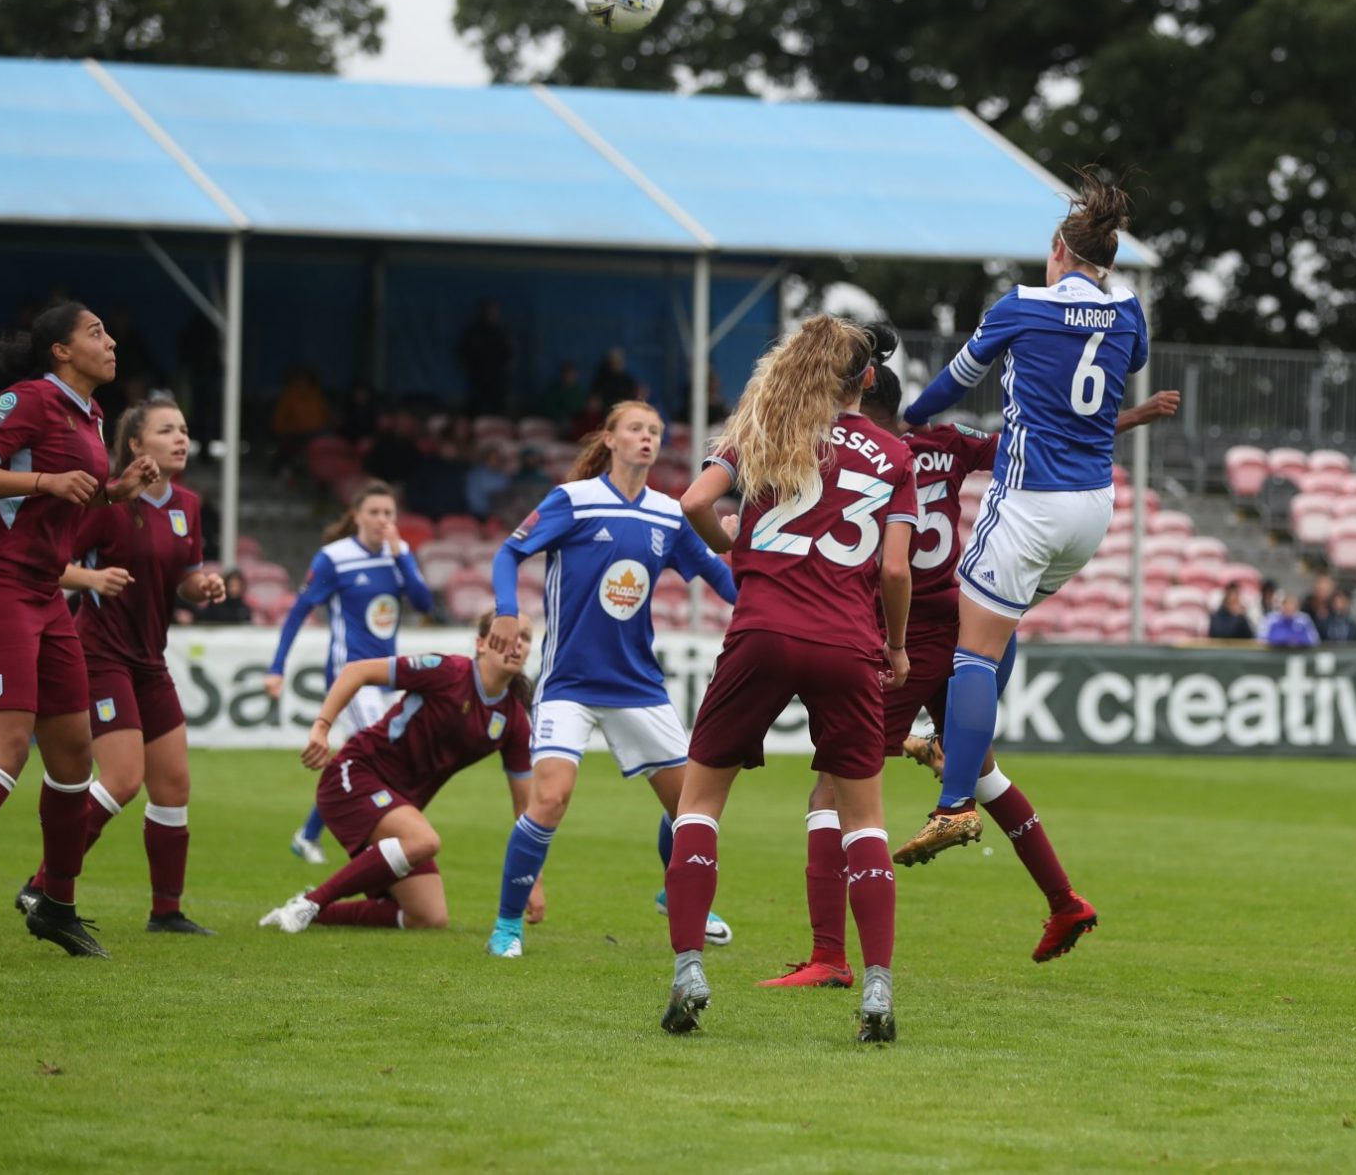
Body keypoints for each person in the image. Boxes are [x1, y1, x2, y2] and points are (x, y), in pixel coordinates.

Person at [761, 360, 1178, 987]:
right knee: (980, 772)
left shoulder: (861, 458)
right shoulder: (946, 443)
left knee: (829, 786)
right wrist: (1134, 418)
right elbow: (1047, 441)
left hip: (908, 640)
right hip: (967, 626)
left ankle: (829, 958)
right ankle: (1066, 903)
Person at [658, 316, 917, 1041]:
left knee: (701, 803)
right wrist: (895, 648)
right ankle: (876, 989)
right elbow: (895, 568)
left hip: (763, 630)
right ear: (869, 378)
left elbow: (692, 504)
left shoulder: (767, 427)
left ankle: (688, 970)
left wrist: (734, 545)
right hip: (847, 640)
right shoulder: (897, 454)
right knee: (864, 819)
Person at [893, 167, 1150, 864]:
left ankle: (953, 801)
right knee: (996, 630)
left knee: (972, 647)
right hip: (1093, 509)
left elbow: (953, 382)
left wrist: (903, 421)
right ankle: (957, 747)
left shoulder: (1022, 306)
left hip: (1032, 499)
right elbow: (1133, 362)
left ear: (1059, 251)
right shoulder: (1128, 310)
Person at [482, 399, 740, 960]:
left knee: (692, 809)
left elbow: (719, 579)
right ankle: (507, 926)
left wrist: (766, 605)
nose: (647, 438)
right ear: (610, 439)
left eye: (655, 431)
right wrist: (506, 607)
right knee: (549, 799)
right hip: (569, 683)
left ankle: (680, 896)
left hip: (636, 685)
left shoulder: (670, 515)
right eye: (636, 429)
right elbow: (509, 554)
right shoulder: (573, 501)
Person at [0, 301, 160, 966]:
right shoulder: (29, 399)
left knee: (73, 762)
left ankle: (55, 904)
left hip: (45, 593)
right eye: (96, 331)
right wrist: (43, 476)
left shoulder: (90, 415)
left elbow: (70, 496)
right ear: (62, 351)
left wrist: (116, 489)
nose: (111, 339)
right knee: (7, 749)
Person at [14, 399, 229, 934]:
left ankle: (166, 912)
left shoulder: (189, 505)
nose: (181, 438)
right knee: (123, 779)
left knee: (173, 786)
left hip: (148, 660)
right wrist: (91, 581)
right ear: (135, 445)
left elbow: (182, 577)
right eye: (165, 430)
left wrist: (201, 587)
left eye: (183, 428)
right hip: (99, 654)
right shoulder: (108, 501)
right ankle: (42, 884)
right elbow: (47, 562)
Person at [258, 611, 540, 933]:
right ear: (480, 644)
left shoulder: (514, 720)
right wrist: (322, 727)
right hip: (353, 776)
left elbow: (525, 811)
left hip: (396, 803)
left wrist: (532, 879)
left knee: (428, 917)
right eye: (506, 636)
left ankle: (308, 908)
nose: (516, 644)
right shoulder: (447, 671)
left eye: (525, 637)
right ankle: (313, 904)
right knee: (423, 840)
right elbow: (357, 670)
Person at [268, 481, 435, 864]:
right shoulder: (335, 558)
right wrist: (277, 667)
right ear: (357, 515)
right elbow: (299, 612)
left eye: (388, 513)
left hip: (388, 677)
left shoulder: (400, 554)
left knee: (367, 758)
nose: (382, 520)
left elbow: (425, 603)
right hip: (352, 676)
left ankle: (310, 834)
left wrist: (402, 558)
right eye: (374, 512)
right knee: (382, 754)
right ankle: (376, 837)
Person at [455, 300, 514, 417]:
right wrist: (467, 367)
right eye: (489, 312)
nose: (492, 315)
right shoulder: (472, 332)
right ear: (483, 313)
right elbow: (461, 352)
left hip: (497, 377)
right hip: (478, 376)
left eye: (494, 312)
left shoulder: (502, 332)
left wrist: (506, 367)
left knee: (498, 409)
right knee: (477, 408)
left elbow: (510, 355)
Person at [190, 568, 255, 625]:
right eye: (231, 585)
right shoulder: (216, 604)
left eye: (237, 586)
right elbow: (202, 620)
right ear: (226, 586)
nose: (234, 589)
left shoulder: (244, 610)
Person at [538, 362, 588, 428]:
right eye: (567, 374)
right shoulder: (554, 390)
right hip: (556, 422)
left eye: (572, 374)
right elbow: (550, 408)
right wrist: (562, 417)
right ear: (562, 375)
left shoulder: (580, 390)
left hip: (577, 421)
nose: (570, 377)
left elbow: (582, 407)